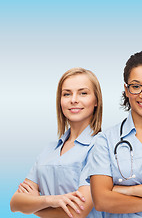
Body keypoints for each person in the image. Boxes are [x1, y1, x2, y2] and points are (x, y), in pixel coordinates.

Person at [87, 51, 142, 218]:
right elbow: (102, 201)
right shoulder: (105, 140)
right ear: (126, 90)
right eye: (136, 86)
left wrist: (129, 190)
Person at [10, 67, 104, 218]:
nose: (73, 99)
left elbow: (77, 211)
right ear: (60, 101)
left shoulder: (101, 147)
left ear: (96, 101)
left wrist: (33, 205)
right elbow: (15, 203)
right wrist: (50, 200)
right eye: (67, 94)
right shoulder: (48, 150)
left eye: (83, 93)